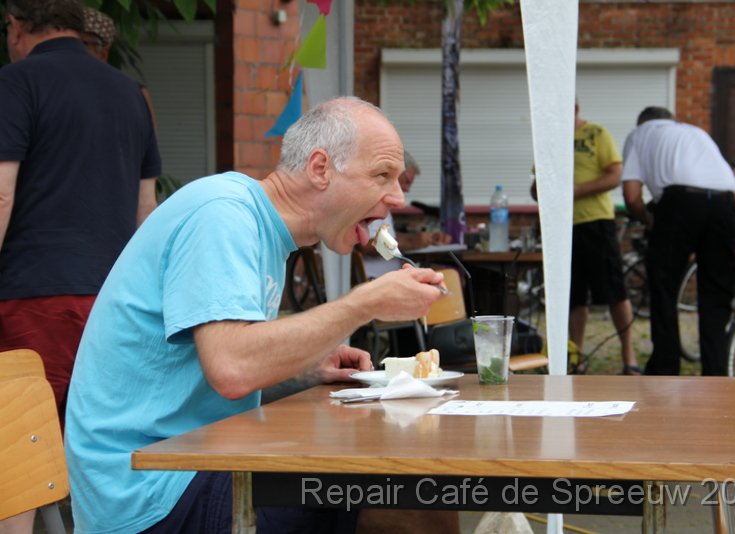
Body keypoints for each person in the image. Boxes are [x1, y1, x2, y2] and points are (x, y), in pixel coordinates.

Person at [63, 97, 450, 533]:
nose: (398, 197)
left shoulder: (263, 230)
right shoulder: (223, 215)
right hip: (150, 490)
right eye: (382, 175)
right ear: (320, 168)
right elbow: (231, 368)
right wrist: (365, 303)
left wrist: (303, 366)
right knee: (408, 502)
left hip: (196, 463)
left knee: (407, 484)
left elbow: (219, 361)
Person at [0, 0, 160, 429]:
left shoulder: (14, 83)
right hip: (114, 301)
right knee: (98, 438)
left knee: (23, 447)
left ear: (16, 28)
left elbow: (0, 194)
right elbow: (148, 211)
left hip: (33, 298)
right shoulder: (131, 94)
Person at [621, 106, 735, 376]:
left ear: (643, 122)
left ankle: (665, 367)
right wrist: (728, 241)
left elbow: (632, 196)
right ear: (673, 121)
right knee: (716, 295)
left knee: (664, 286)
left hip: (679, 203)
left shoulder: (639, 134)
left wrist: (650, 221)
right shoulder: (695, 133)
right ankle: (715, 372)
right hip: (723, 204)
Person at [531, 101, 638, 375]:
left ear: (575, 107)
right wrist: (544, 188)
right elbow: (536, 187)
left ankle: (629, 356)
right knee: (572, 294)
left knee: (614, 289)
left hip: (596, 221)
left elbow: (615, 175)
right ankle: (574, 356)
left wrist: (577, 189)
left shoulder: (597, 134)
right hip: (562, 226)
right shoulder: (549, 139)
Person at [361, 150, 451, 279]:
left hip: (388, 279)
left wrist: (424, 239)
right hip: (374, 281)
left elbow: (386, 237)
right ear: (392, 173)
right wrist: (413, 240)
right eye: (407, 181)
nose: (407, 189)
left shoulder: (382, 201)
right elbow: (367, 246)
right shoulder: (371, 201)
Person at [80, 6, 158, 130]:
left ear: (102, 54)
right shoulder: (47, 84)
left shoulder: (134, 93)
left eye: (81, 43)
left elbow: (146, 143)